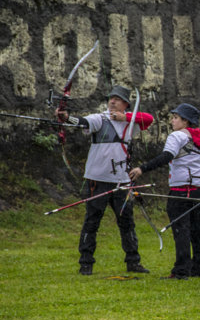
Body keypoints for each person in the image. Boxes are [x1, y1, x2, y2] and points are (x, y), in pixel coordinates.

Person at [55, 85, 154, 275]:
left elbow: (149, 119)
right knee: (92, 221)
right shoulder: (100, 118)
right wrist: (66, 118)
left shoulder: (131, 122)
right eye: (111, 98)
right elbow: (82, 122)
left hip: (122, 181)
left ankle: (133, 262)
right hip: (97, 180)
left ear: (126, 104)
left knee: (127, 222)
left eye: (117, 99)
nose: (112, 102)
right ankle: (86, 263)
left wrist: (124, 117)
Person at [129, 103, 200, 279]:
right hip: (199, 191)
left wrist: (142, 168)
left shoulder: (176, 136)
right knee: (198, 230)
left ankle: (181, 270)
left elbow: (167, 156)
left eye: (176, 118)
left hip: (180, 191)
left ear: (185, 121)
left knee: (181, 231)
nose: (172, 121)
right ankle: (199, 269)